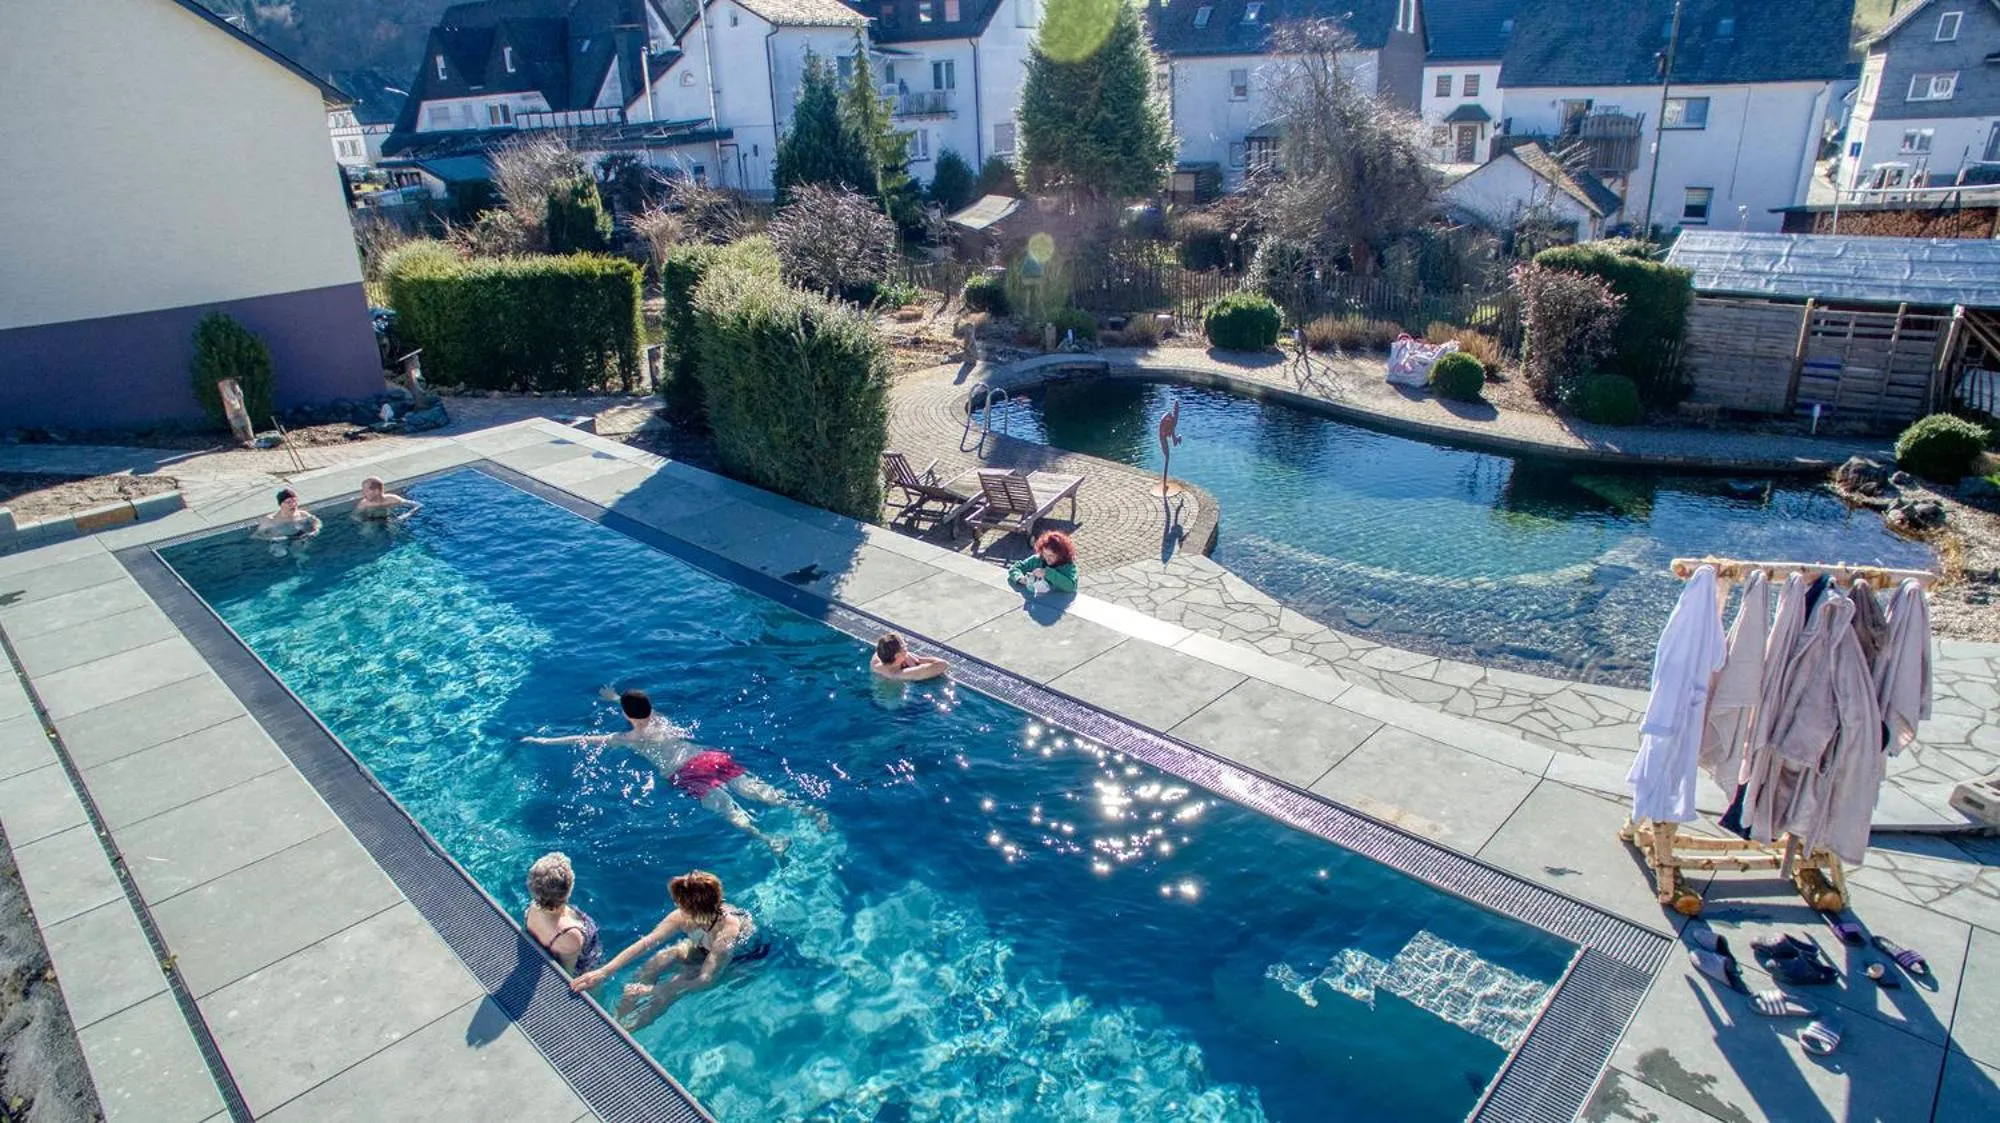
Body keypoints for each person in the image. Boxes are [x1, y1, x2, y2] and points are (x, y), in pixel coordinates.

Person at [522, 688, 811, 853]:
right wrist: (616, 697)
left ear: (625, 715)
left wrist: (542, 740)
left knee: (729, 810)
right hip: (707, 756)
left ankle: (768, 840)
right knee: (754, 788)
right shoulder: (660, 719)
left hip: (686, 773)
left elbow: (581, 739)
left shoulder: (628, 739)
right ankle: (806, 809)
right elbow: (639, 706)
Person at [570, 870, 768, 1031]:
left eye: (678, 902)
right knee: (656, 962)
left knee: (675, 986)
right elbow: (646, 943)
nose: (675, 904)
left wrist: (652, 990)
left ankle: (626, 1031)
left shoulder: (728, 930)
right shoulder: (682, 916)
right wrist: (604, 971)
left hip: (739, 960)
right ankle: (615, 1018)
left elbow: (706, 979)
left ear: (691, 908)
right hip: (702, 947)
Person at [524, 852, 603, 974]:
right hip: (583, 966)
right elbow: (567, 973)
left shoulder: (533, 907)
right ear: (569, 888)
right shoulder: (570, 934)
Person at [1007, 530, 1078, 595]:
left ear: (1061, 554)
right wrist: (1020, 578)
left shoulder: (1068, 566)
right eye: (1045, 554)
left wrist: (1047, 573)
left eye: (1051, 555)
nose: (1047, 558)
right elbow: (1015, 567)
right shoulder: (1037, 559)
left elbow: (1071, 586)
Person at [250, 489, 320, 554]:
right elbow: (255, 536)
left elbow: (317, 522)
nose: (293, 504)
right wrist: (273, 538)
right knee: (280, 554)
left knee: (301, 553)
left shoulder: (303, 514)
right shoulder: (270, 520)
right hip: (279, 541)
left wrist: (315, 530)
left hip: (298, 537)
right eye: (288, 502)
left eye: (295, 501)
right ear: (281, 504)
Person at [870, 632, 949, 681]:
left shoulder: (875, 663)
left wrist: (904, 655)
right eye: (904, 647)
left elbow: (883, 646)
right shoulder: (901, 674)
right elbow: (943, 664)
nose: (907, 646)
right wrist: (919, 659)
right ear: (898, 656)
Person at [352, 476, 420, 521]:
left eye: (366, 491)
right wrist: (363, 520)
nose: (363, 493)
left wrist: (407, 514)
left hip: (390, 519)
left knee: (394, 526)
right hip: (372, 520)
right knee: (367, 530)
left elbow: (418, 505)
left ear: (376, 491)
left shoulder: (392, 499)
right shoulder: (364, 504)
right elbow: (354, 516)